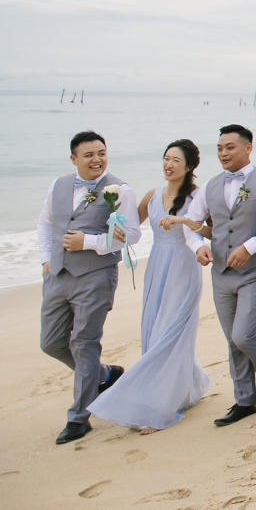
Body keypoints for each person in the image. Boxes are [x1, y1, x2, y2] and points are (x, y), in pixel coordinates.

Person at [89, 140, 210, 433]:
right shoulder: (153, 195)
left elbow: (211, 230)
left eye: (175, 160)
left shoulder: (197, 196)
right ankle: (188, 385)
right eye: (166, 159)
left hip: (183, 267)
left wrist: (183, 219)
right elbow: (131, 231)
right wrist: (113, 220)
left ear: (190, 166)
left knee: (171, 332)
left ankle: (159, 405)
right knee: (154, 330)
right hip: (157, 266)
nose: (168, 165)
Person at [182, 124, 256, 425]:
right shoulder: (210, 186)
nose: (223, 153)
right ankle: (244, 400)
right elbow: (191, 222)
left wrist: (251, 246)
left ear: (248, 148)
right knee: (232, 340)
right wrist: (197, 247)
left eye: (230, 147)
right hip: (220, 273)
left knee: (244, 334)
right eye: (219, 148)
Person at [38, 130, 141, 444]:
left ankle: (79, 418)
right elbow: (45, 222)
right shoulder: (58, 185)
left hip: (96, 276)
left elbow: (132, 235)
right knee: (51, 342)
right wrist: (45, 259)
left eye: (101, 153)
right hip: (57, 275)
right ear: (74, 159)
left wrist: (90, 242)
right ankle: (104, 375)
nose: (97, 160)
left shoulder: (120, 190)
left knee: (84, 343)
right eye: (89, 155)